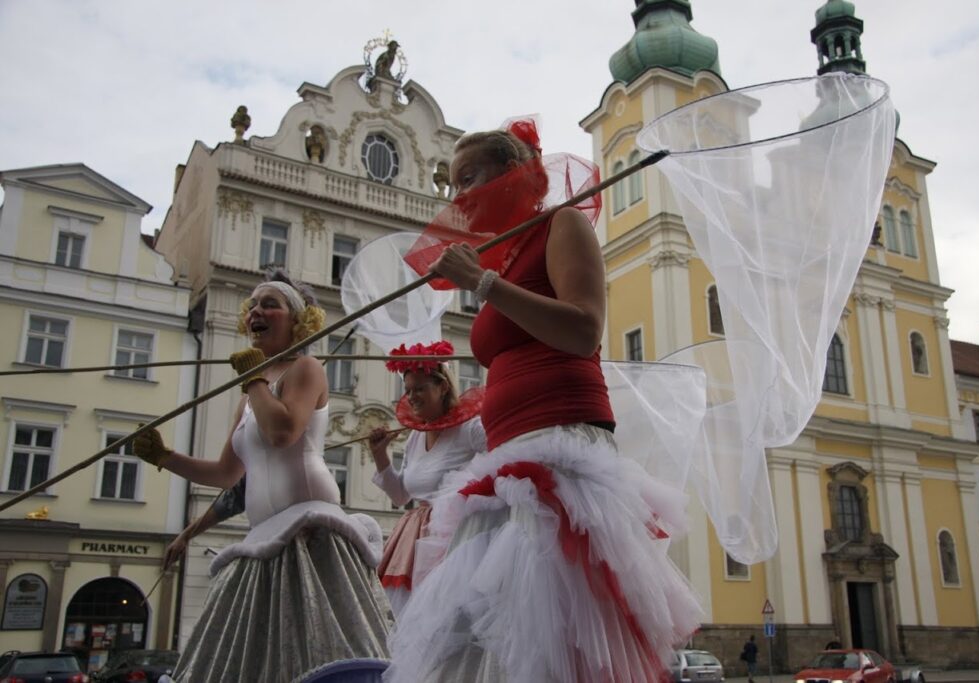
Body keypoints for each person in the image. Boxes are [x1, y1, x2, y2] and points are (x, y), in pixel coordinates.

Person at [385, 121, 702, 682]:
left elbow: (583, 330)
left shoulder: (562, 224)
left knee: (552, 629)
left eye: (469, 178)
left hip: (561, 449)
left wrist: (483, 285)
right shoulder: (500, 260)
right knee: (483, 635)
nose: (458, 197)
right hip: (505, 460)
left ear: (516, 177)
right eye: (452, 185)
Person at [133, 269, 391, 682]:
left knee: (318, 646)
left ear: (297, 320)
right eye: (252, 304)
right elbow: (225, 475)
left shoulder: (306, 367)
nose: (257, 310)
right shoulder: (251, 395)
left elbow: (284, 433)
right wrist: (164, 456)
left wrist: (254, 380)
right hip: (262, 530)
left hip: (309, 524)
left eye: (270, 303)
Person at [368, 340, 486, 618]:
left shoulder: (470, 428)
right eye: (408, 390)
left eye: (420, 388)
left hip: (455, 541)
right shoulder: (415, 437)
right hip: (411, 542)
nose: (412, 397)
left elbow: (501, 465)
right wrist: (380, 454)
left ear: (442, 386)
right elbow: (401, 497)